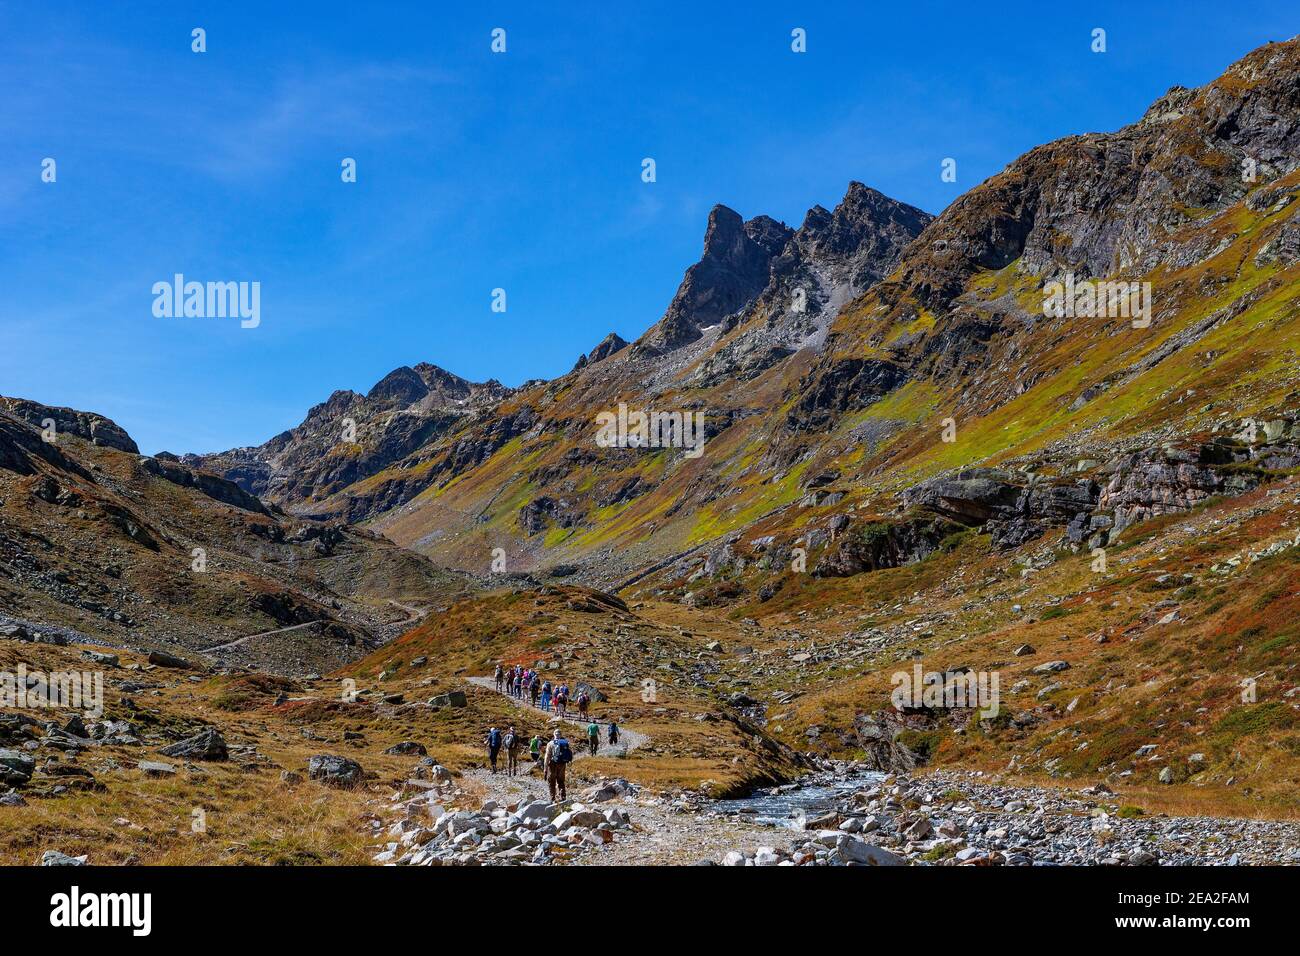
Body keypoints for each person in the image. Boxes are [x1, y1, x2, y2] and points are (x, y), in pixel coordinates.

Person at [543, 728, 572, 801]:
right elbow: (569, 754)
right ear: (560, 735)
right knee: (561, 781)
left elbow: (547, 756)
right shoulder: (565, 743)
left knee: (552, 781)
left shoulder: (550, 743)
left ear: (554, 734)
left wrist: (545, 768)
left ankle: (552, 798)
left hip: (552, 764)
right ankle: (563, 796)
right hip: (562, 764)